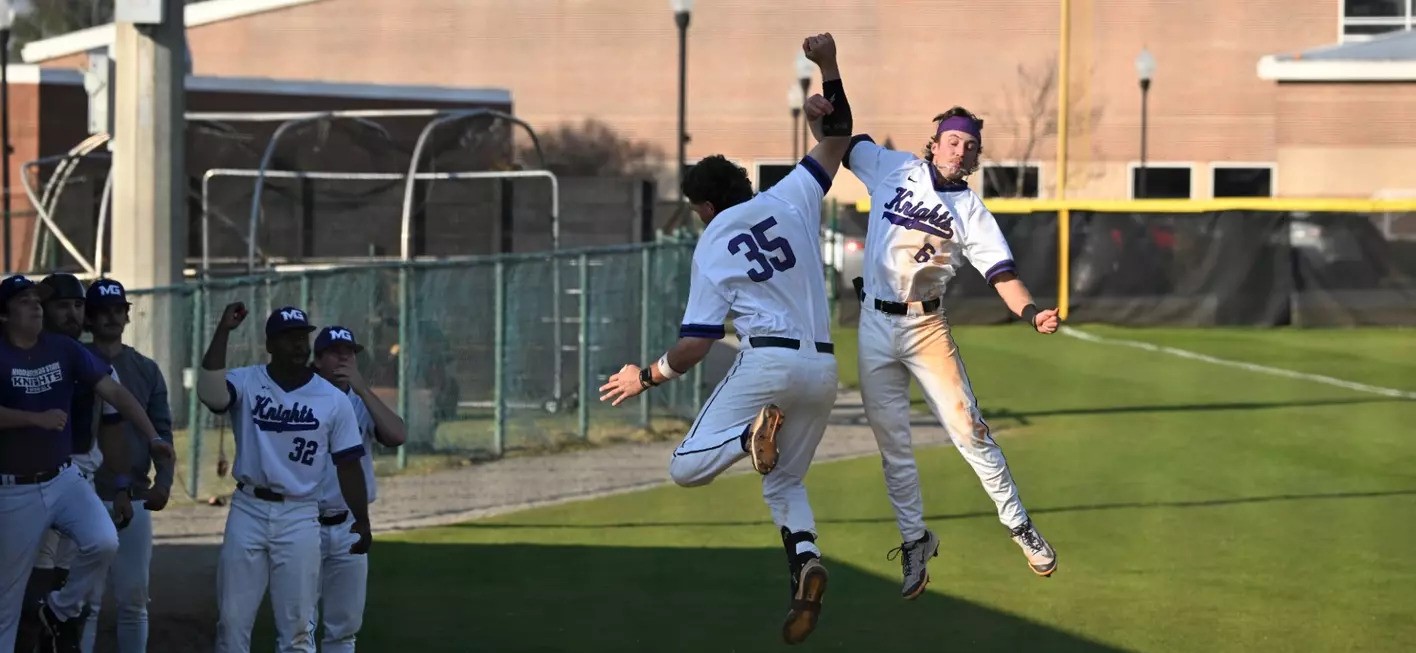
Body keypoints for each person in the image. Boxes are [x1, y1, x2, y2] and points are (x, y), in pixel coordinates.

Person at [598, 32, 853, 646]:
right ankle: (806, 563)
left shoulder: (713, 240)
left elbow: (694, 346)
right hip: (822, 371)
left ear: (707, 205)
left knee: (685, 469)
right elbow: (839, 138)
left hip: (767, 366)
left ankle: (746, 434)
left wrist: (646, 375)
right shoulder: (790, 197)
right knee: (784, 481)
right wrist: (829, 69)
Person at [803, 91, 1062, 598]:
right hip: (875, 324)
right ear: (935, 143)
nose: (960, 150)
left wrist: (1031, 313)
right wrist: (820, 113)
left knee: (971, 431)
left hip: (925, 328)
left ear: (976, 157)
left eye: (970, 145)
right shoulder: (893, 168)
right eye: (952, 140)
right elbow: (836, 140)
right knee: (894, 447)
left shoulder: (972, 212)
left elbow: (1002, 275)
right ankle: (914, 541)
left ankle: (1019, 525)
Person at [0, 274, 172, 653]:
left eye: (78, 305)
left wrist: (149, 445)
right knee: (17, 600)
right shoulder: (9, 351)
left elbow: (115, 407)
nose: (72, 313)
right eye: (60, 305)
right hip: (15, 484)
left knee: (99, 550)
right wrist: (36, 418)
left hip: (68, 476)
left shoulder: (73, 353)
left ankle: (57, 616)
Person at [196, 302, 372, 653]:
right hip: (249, 509)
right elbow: (211, 394)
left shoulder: (332, 400)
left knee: (297, 629)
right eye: (287, 338)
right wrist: (223, 331)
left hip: (301, 514)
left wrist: (362, 520)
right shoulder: (247, 381)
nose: (297, 345)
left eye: (302, 337)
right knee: (231, 622)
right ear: (270, 345)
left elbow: (349, 465)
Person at [80, 278, 175, 653]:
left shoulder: (145, 369)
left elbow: (162, 431)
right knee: (85, 601)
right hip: (82, 492)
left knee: (134, 599)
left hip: (133, 495)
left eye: (117, 309)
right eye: (101, 311)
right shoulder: (73, 359)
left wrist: (164, 482)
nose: (110, 317)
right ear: (88, 318)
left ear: (126, 315)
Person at [307, 325, 406, 652]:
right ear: (318, 359)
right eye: (336, 352)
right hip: (301, 522)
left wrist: (363, 389)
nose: (344, 358)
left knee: (344, 629)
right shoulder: (299, 396)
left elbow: (397, 435)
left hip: (349, 522)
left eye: (349, 352)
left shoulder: (360, 400)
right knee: (298, 626)